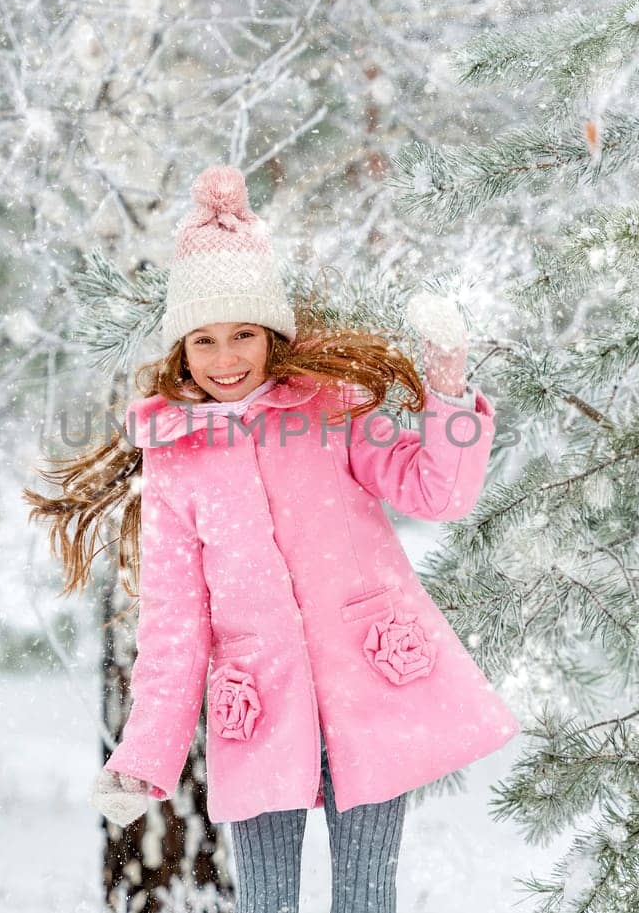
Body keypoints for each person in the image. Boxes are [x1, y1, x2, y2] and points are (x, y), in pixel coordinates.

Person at [27, 164, 520, 913]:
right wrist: (144, 756)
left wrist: (447, 388)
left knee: (364, 897)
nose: (226, 359)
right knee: (266, 905)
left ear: (271, 333)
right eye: (206, 340)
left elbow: (438, 491)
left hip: (367, 683)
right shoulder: (176, 456)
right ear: (182, 347)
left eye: (244, 335)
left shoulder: (332, 408)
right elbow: (172, 625)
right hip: (257, 706)